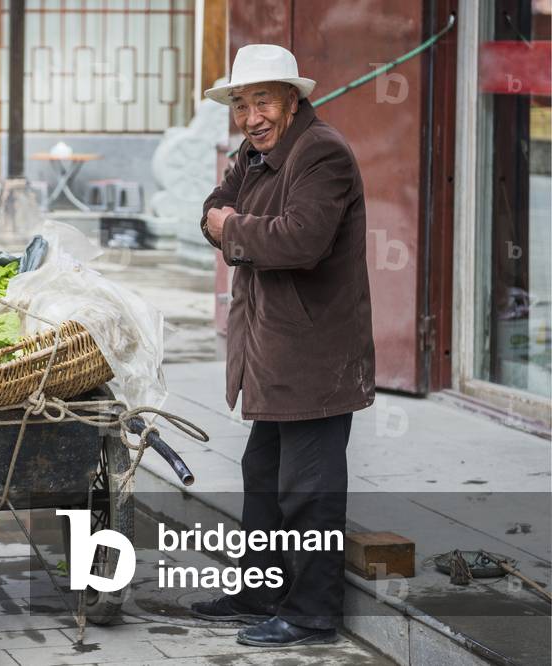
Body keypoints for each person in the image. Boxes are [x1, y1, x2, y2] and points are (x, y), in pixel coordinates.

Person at [190, 44, 376, 647]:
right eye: (241, 104)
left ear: (293, 100)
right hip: (270, 348)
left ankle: (313, 613)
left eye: (262, 100)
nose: (251, 117)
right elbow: (213, 206)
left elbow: (300, 241)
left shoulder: (321, 152)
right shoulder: (254, 153)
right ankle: (263, 589)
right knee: (263, 472)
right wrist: (225, 221)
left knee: (309, 486)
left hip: (315, 353)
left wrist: (229, 228)